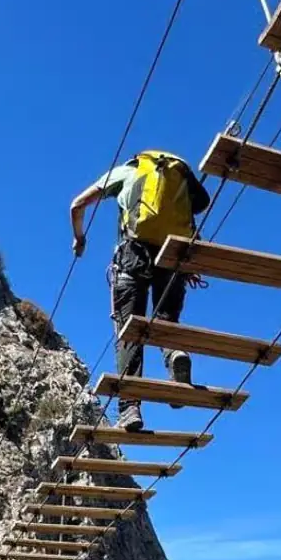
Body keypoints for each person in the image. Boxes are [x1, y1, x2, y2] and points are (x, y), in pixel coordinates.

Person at [69, 150, 211, 432]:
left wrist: (80, 239)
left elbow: (77, 205)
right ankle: (175, 355)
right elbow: (190, 225)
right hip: (174, 258)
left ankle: (130, 407)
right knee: (166, 321)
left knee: (129, 332)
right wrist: (190, 265)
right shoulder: (179, 180)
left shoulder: (126, 172)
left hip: (132, 257)